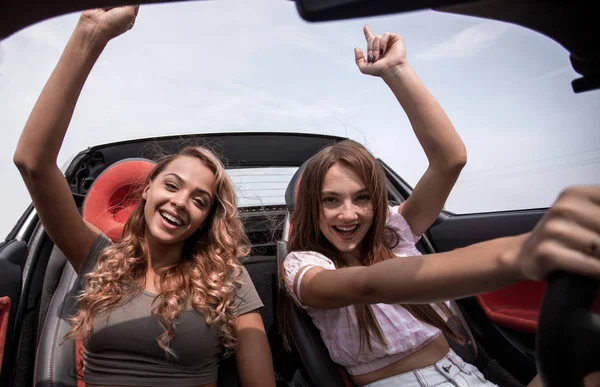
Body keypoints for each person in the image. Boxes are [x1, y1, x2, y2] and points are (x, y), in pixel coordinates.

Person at [279, 26, 600, 387]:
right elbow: (366, 286)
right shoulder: (303, 264)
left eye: (363, 197)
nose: (349, 214)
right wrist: (519, 254)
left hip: (466, 375)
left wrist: (396, 71)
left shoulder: (392, 234)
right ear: (310, 208)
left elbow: (450, 160)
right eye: (331, 201)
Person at [13, 6, 275, 387]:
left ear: (206, 219)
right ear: (147, 188)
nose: (180, 202)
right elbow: (33, 162)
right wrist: (91, 32)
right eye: (172, 185)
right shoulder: (97, 258)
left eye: (200, 200)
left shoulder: (226, 280)